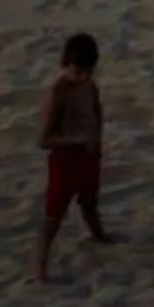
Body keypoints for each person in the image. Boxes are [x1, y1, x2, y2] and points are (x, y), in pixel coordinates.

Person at [32, 32, 114, 281]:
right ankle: (38, 269)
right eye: (78, 72)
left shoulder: (90, 87)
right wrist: (77, 139)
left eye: (88, 72)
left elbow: (97, 114)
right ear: (65, 66)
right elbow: (43, 140)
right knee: (54, 215)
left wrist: (96, 143)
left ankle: (99, 235)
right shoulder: (57, 94)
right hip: (65, 159)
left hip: (88, 155)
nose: (84, 77)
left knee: (90, 201)